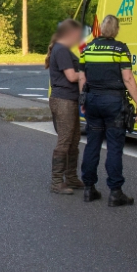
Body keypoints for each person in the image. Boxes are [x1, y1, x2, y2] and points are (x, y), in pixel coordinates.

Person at [77, 15, 137, 207]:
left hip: (92, 101)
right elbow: (128, 78)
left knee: (92, 144)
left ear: (101, 30)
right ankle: (115, 192)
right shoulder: (120, 48)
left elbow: (82, 77)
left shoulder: (87, 48)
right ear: (116, 30)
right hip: (113, 102)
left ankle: (89, 188)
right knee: (114, 146)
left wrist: (83, 99)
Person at [45, 18, 84, 195]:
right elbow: (71, 76)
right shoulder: (61, 51)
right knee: (65, 141)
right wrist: (85, 74)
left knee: (74, 139)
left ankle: (71, 177)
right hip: (64, 100)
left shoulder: (62, 49)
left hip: (69, 99)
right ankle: (56, 181)